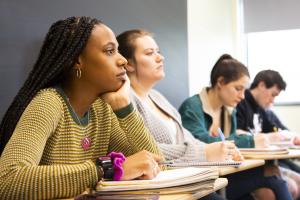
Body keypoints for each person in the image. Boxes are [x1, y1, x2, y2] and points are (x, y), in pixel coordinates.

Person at [0, 17, 164, 199]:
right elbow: (7, 180)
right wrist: (106, 170)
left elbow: (155, 162)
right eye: (110, 51)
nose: (123, 60)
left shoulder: (102, 109)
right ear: (77, 60)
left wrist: (124, 107)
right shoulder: (49, 103)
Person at [117, 30, 291, 200]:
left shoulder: (158, 98)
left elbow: (189, 139)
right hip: (167, 186)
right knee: (275, 183)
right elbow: (144, 151)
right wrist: (206, 151)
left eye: (158, 52)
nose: (160, 57)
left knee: (276, 181)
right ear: (129, 63)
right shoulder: (125, 101)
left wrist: (224, 150)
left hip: (190, 178)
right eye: (149, 53)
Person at [179, 54, 292, 199]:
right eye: (238, 88)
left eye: (244, 90)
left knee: (273, 176)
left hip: (227, 174)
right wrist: (251, 141)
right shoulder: (192, 107)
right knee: (274, 180)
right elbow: (199, 144)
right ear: (220, 82)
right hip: (202, 182)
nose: (243, 96)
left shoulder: (229, 111)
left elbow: (230, 146)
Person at [236, 69, 300, 199]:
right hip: (248, 167)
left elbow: (279, 130)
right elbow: (236, 135)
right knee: (291, 187)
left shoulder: (262, 109)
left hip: (267, 162)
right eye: (272, 94)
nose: (272, 100)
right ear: (261, 85)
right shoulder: (240, 104)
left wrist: (288, 137)